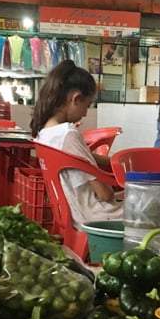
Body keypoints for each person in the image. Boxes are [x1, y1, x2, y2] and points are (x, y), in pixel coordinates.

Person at [31, 60, 122, 226]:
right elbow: (105, 195)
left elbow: (81, 161)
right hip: (97, 216)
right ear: (75, 99)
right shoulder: (68, 133)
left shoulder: (44, 133)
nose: (86, 113)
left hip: (76, 213)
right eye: (87, 105)